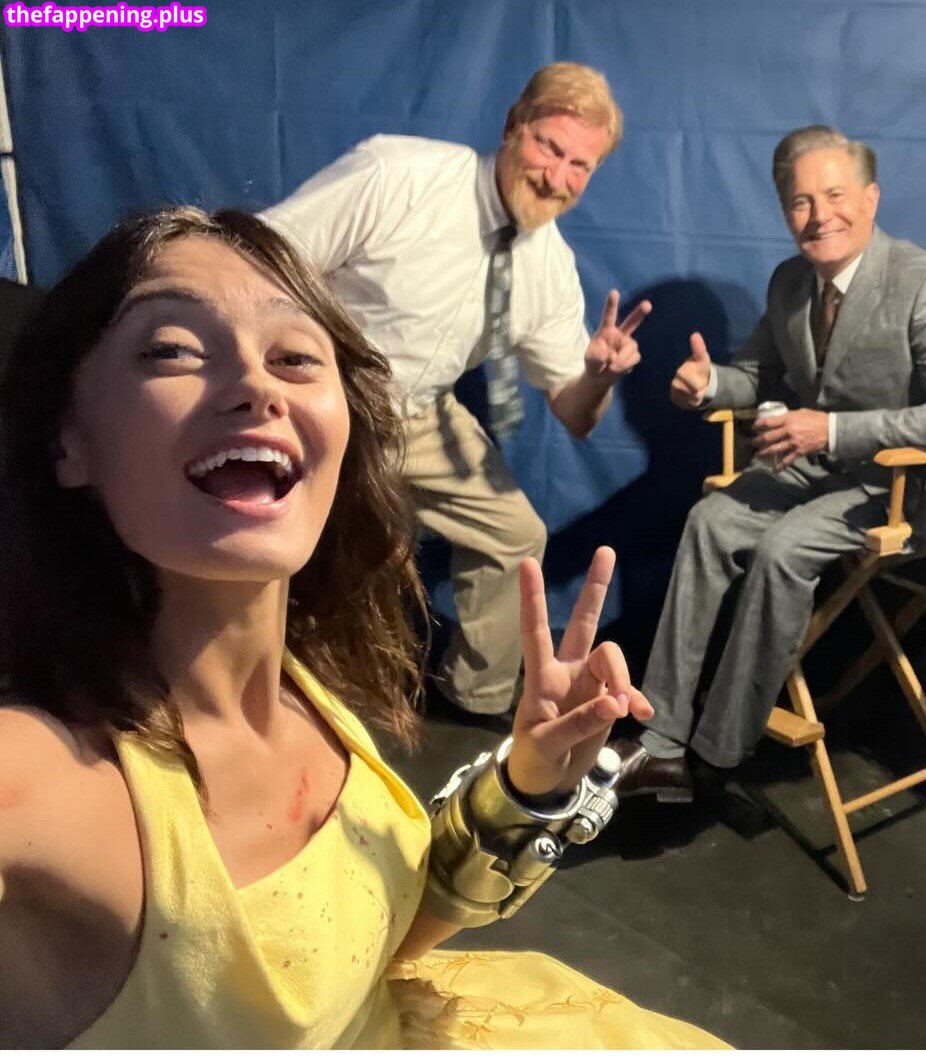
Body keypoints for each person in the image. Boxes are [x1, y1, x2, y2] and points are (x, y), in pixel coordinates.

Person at [0, 207, 727, 1048]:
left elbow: (358, 949)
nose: (258, 384)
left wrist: (528, 787)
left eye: (295, 357)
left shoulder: (311, 682)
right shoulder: (38, 777)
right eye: (174, 349)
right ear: (67, 439)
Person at [259, 62, 651, 724]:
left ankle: (479, 706)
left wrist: (600, 377)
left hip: (418, 412)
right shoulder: (399, 174)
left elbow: (575, 414)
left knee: (515, 535)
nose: (556, 177)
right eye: (549, 147)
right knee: (327, 551)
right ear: (512, 126)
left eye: (579, 166)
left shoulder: (549, 265)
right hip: (321, 394)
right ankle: (280, 695)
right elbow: (263, 256)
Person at [613, 125, 926, 799]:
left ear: (871, 199)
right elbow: (758, 377)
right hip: (810, 469)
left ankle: (720, 754)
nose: (819, 216)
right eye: (800, 202)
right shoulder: (790, 281)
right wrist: (708, 386)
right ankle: (660, 740)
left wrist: (831, 429)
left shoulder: (918, 279)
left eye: (835, 195)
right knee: (710, 521)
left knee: (784, 549)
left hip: (901, 486)